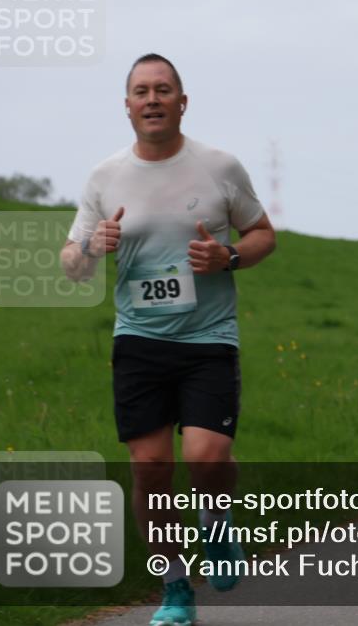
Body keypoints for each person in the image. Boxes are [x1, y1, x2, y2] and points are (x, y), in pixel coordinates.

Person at [60, 53, 276, 626]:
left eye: (163, 89)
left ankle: (219, 529)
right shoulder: (105, 178)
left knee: (207, 458)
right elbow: (70, 264)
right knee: (151, 470)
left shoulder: (219, 166)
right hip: (139, 341)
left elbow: (263, 234)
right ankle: (175, 589)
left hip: (208, 338)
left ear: (183, 101)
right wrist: (89, 248)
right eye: (140, 91)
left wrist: (228, 255)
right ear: (126, 106)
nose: (151, 99)